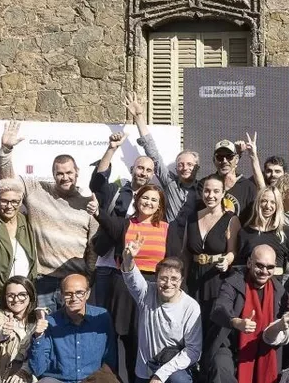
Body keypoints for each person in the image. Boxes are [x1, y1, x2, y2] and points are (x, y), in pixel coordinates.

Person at [0, 120, 99, 311]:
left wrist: (88, 277)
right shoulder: (36, 189)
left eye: (69, 172)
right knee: (42, 331)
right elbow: (6, 181)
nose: (65, 177)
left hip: (75, 281)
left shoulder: (88, 204)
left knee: (71, 333)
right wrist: (6, 150)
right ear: (53, 174)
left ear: (77, 173)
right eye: (59, 173)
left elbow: (93, 247)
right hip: (42, 280)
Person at [206, 244, 289, 383]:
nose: (264, 271)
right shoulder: (233, 282)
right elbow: (219, 309)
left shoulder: (278, 290)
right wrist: (236, 322)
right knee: (222, 370)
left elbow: (284, 320)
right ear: (248, 263)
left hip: (259, 350)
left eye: (270, 267)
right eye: (259, 265)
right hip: (228, 344)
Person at [95, 183, 178, 382]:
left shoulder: (167, 228)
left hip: (152, 288)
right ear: (137, 200)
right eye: (145, 198)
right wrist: (96, 211)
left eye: (153, 200)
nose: (148, 202)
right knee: (117, 338)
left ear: (160, 205)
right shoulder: (125, 225)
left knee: (140, 340)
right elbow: (107, 222)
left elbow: (174, 262)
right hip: (123, 287)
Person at [19, 274, 118, 383]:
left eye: (79, 292)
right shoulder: (51, 321)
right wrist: (38, 337)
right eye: (68, 293)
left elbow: (110, 358)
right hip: (61, 382)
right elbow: (38, 369)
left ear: (88, 293)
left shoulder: (102, 316)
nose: (74, 298)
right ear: (61, 294)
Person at [121, 242, 202, 383]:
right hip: (145, 373)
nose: (168, 283)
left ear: (181, 280)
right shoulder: (146, 293)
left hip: (173, 372)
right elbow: (131, 277)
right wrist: (128, 257)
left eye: (174, 278)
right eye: (163, 278)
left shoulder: (191, 307)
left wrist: (161, 374)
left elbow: (193, 351)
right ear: (156, 279)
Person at [89, 130, 158, 309]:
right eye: (140, 168)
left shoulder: (155, 202)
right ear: (132, 169)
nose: (143, 173)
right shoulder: (116, 191)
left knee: (126, 315)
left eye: (148, 170)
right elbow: (97, 183)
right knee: (101, 313)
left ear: (152, 175)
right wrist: (111, 149)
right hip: (107, 264)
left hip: (134, 268)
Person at [126, 94, 201, 225]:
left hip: (195, 243)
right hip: (171, 240)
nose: (185, 168)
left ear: (197, 167)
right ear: (176, 168)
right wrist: (139, 118)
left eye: (190, 164)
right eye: (181, 164)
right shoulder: (170, 182)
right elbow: (152, 152)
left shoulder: (204, 189)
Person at [183, 175, 240, 323]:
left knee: (213, 323)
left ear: (223, 194)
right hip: (194, 278)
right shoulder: (192, 218)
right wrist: (182, 279)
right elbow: (186, 253)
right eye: (207, 191)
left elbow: (232, 251)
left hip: (217, 277)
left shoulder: (231, 219)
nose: (211, 195)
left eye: (216, 191)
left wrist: (226, 261)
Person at [238, 186, 289, 280]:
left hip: (276, 289)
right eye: (264, 201)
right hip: (249, 287)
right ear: (258, 203)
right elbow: (239, 266)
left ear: (277, 205)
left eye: (272, 202)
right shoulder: (245, 232)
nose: (268, 206)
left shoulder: (286, 232)